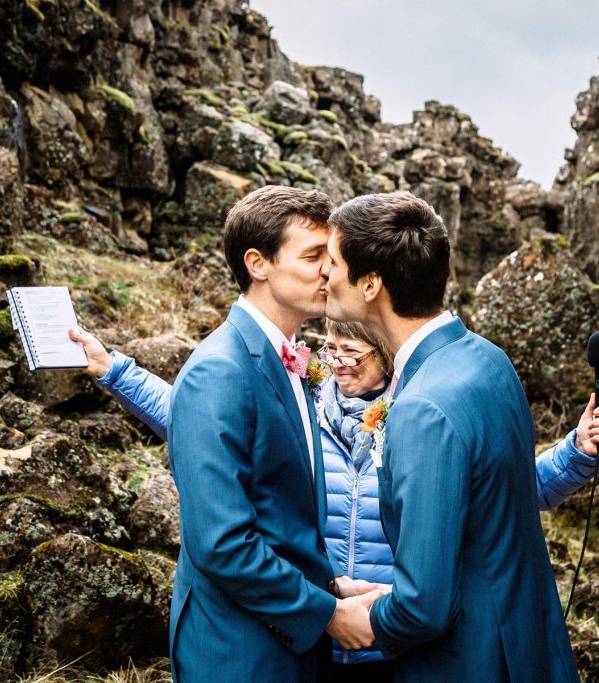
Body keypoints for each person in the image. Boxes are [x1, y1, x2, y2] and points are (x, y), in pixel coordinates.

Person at [73, 185, 384, 682]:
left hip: (280, 636)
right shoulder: (219, 370)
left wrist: (329, 586)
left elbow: (278, 512)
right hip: (237, 649)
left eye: (328, 257)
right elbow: (222, 542)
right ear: (258, 263)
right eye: (312, 257)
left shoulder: (286, 359)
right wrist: (325, 613)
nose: (328, 271)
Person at [321, 190, 582, 681]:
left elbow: (424, 607)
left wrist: (365, 617)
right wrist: (389, 594)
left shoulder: (422, 409)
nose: (323, 274)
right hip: (528, 644)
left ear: (371, 283)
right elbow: (483, 531)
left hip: (469, 661)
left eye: (333, 262)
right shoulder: (487, 358)